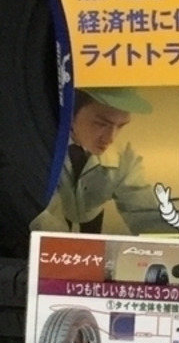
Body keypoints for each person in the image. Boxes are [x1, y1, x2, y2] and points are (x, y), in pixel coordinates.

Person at [32, 86, 164, 234]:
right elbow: (39, 216)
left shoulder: (124, 155)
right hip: (54, 214)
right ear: (69, 112)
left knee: (92, 231)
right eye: (101, 124)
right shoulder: (37, 147)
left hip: (91, 212)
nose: (110, 138)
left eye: (121, 126)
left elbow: (145, 213)